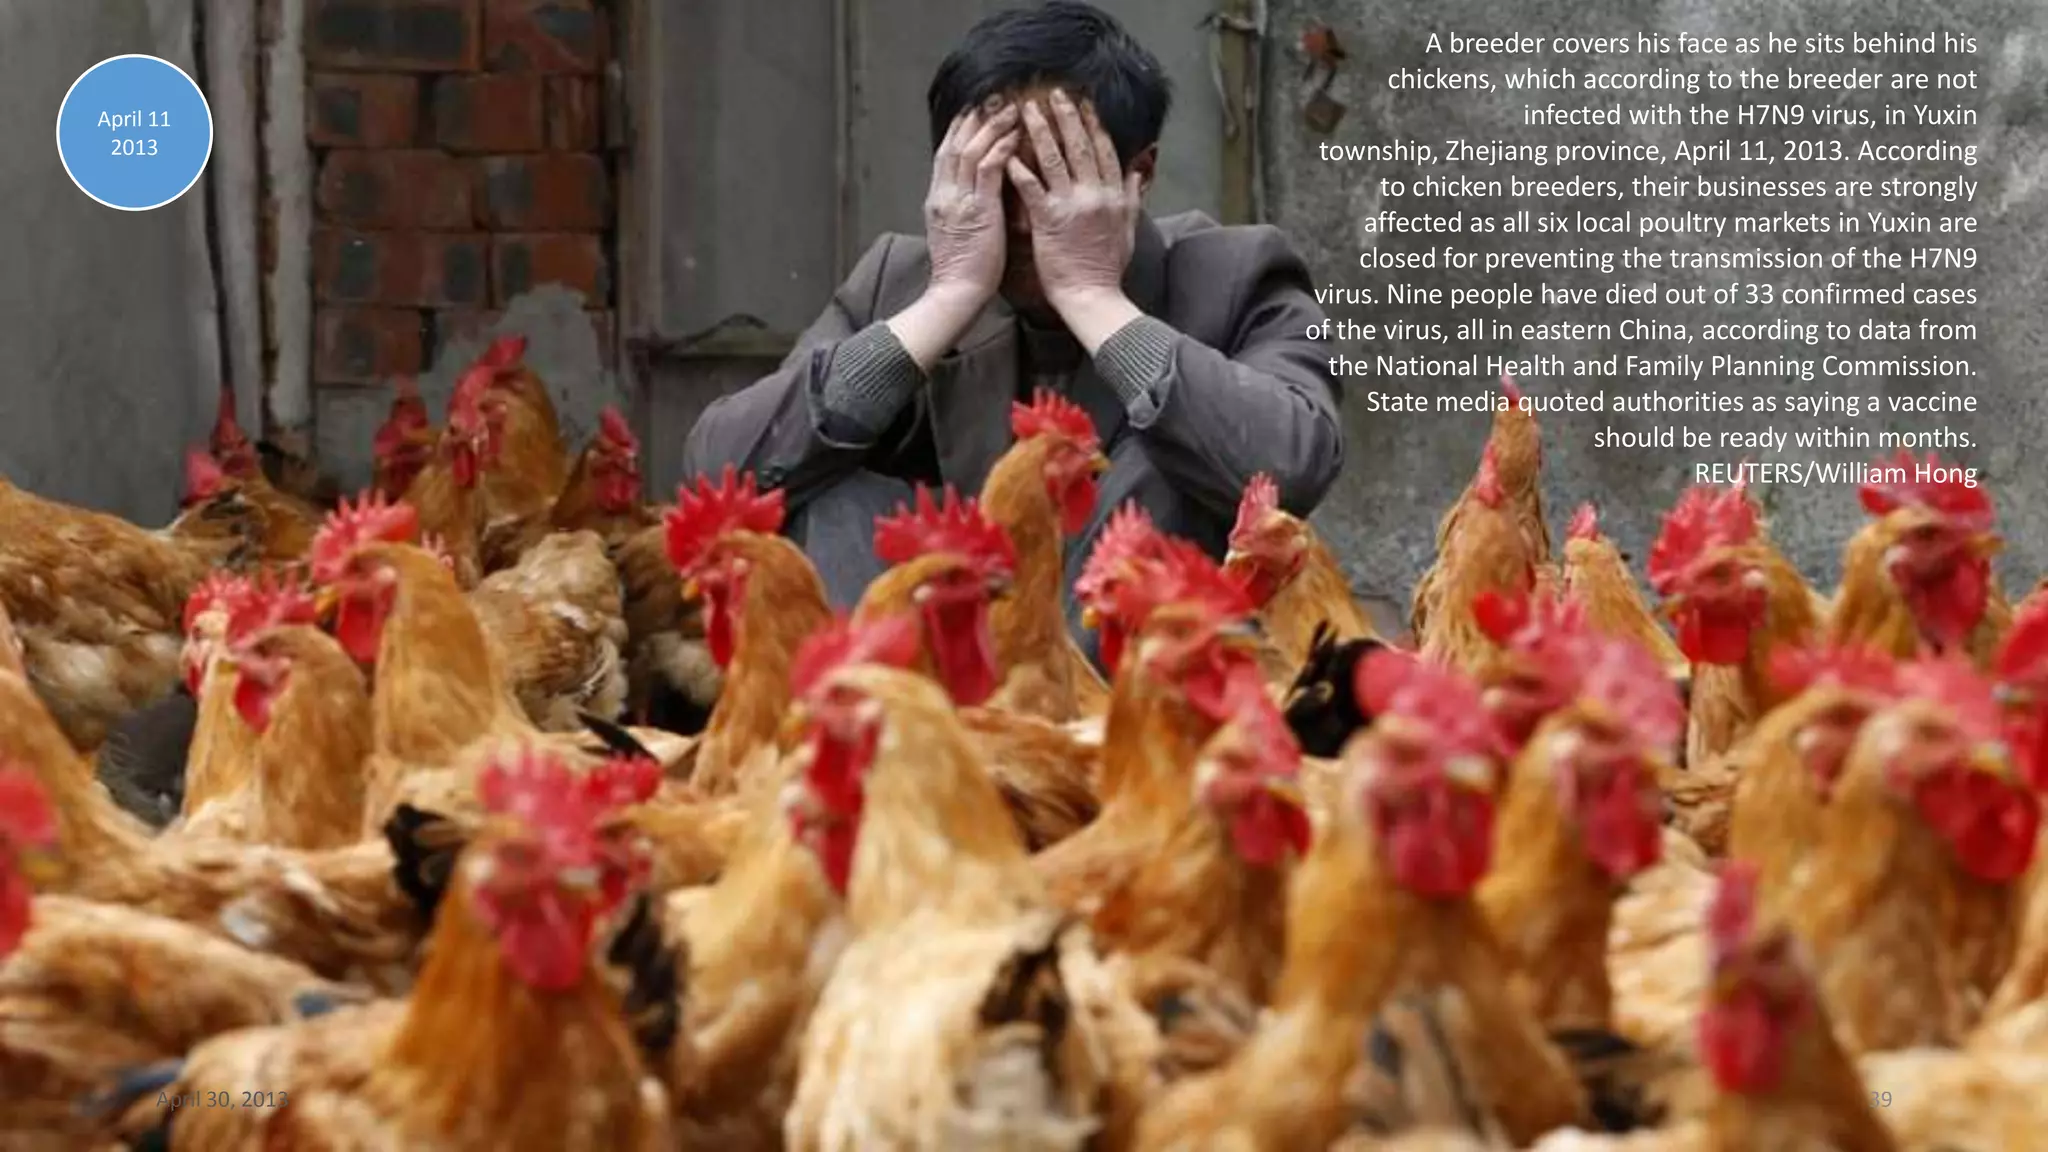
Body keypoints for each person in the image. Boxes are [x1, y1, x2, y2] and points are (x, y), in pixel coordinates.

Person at [682, 0, 1342, 656]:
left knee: (1162, 460)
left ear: (1138, 174)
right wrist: (946, 301)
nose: (1025, 221)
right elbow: (720, 473)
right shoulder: (898, 281)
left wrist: (1094, 300)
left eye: (1052, 179)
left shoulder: (1236, 273)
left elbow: (1293, 466)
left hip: (1142, 700)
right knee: (823, 487)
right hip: (935, 684)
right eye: (997, 180)